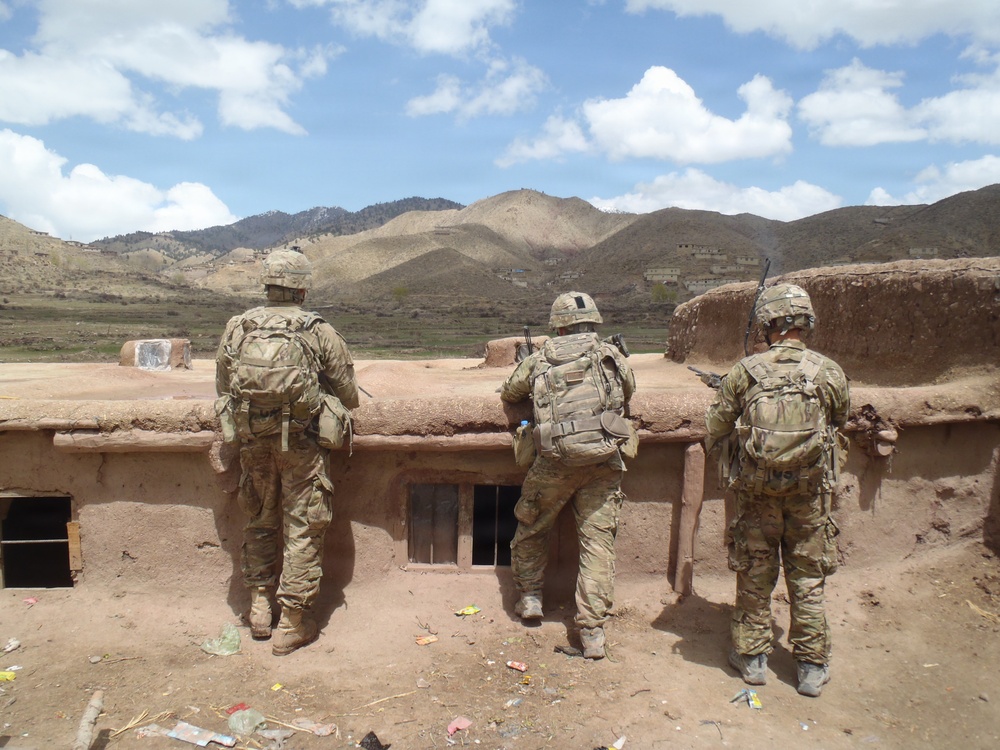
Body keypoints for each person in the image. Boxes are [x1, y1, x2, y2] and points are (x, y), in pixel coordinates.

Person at [705, 283, 849, 697]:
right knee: (807, 576)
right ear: (806, 323)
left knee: (755, 571)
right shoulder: (828, 371)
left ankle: (751, 659)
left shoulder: (745, 371)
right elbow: (840, 418)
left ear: (768, 324)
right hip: (810, 495)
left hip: (756, 493)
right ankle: (810, 667)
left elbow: (714, 427)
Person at [215, 248, 359, 656]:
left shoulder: (238, 326)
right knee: (303, 529)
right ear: (301, 288)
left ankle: (259, 608)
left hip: (253, 443)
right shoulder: (317, 329)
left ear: (267, 284)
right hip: (303, 446)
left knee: (259, 521)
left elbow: (224, 386)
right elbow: (348, 393)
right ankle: (293, 622)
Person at [500, 291, 636, 659]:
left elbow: (511, 392)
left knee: (531, 526)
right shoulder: (610, 354)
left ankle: (530, 599)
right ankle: (592, 632)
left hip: (555, 461)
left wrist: (527, 364)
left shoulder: (542, 357)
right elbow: (630, 389)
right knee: (597, 546)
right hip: (602, 462)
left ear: (557, 325)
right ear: (593, 321)